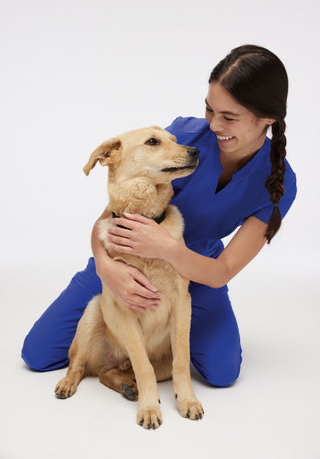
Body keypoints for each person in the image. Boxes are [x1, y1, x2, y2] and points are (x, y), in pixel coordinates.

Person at [21, 45, 297, 387]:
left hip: (196, 273)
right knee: (38, 354)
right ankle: (122, 362)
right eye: (210, 110)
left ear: (267, 118)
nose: (213, 125)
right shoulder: (182, 138)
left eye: (229, 117)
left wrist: (166, 248)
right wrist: (107, 267)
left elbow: (223, 271)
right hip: (125, 260)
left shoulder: (278, 183)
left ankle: (145, 356)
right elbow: (107, 220)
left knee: (223, 373)